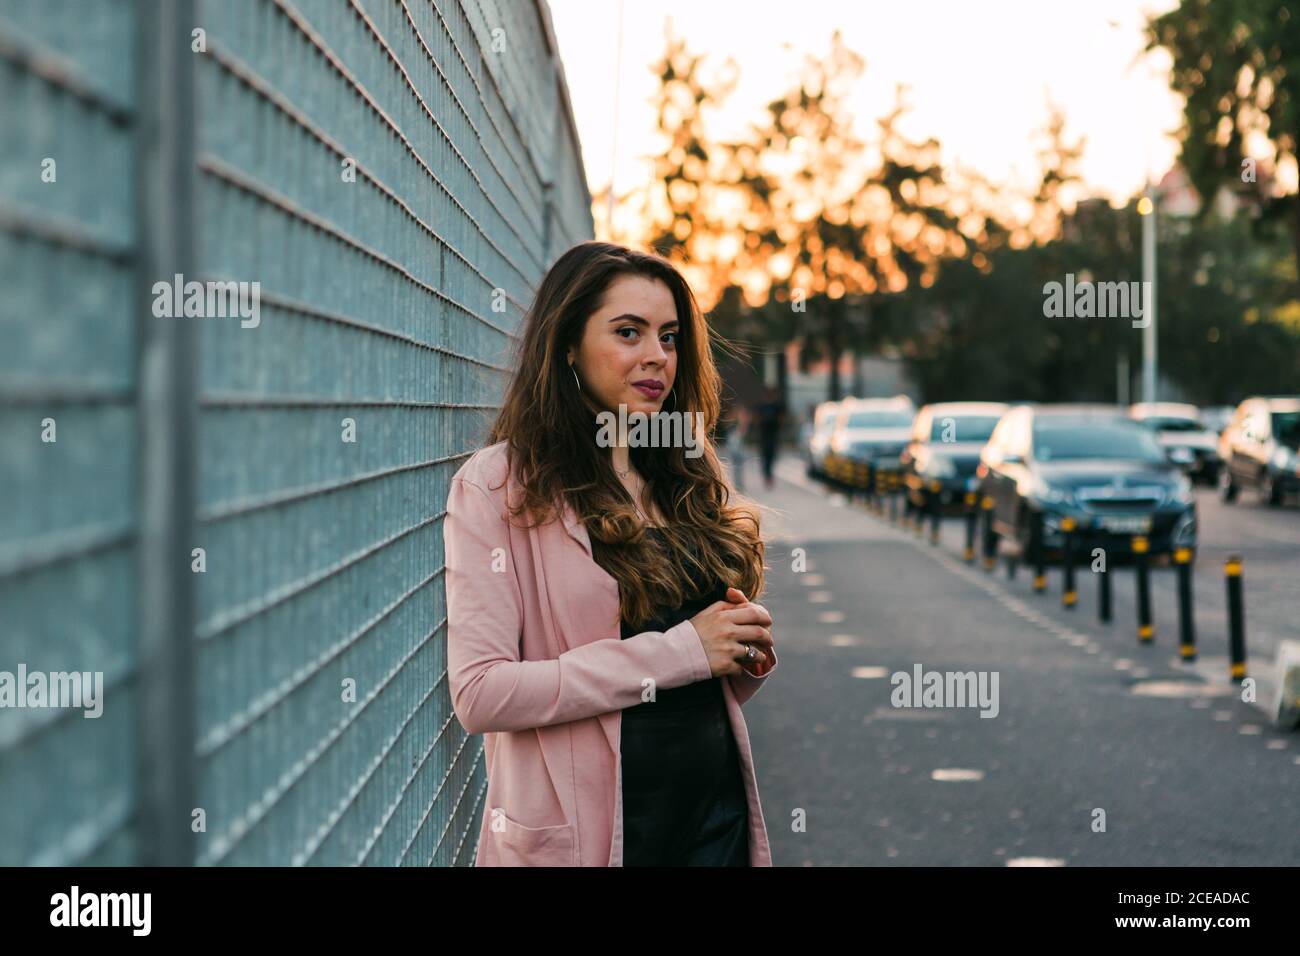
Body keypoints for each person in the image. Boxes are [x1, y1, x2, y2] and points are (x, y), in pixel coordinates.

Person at [444, 240, 779, 866]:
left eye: (670, 337)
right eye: (629, 332)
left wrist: (736, 653)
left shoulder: (685, 473)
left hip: (714, 822)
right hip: (593, 838)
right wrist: (683, 650)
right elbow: (482, 694)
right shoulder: (499, 486)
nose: (657, 356)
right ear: (567, 343)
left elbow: (689, 675)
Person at [754, 385, 786, 489]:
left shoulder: (775, 406)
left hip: (770, 435)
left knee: (769, 456)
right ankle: (767, 475)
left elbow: (757, 419)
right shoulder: (763, 406)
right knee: (767, 456)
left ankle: (768, 475)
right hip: (767, 435)